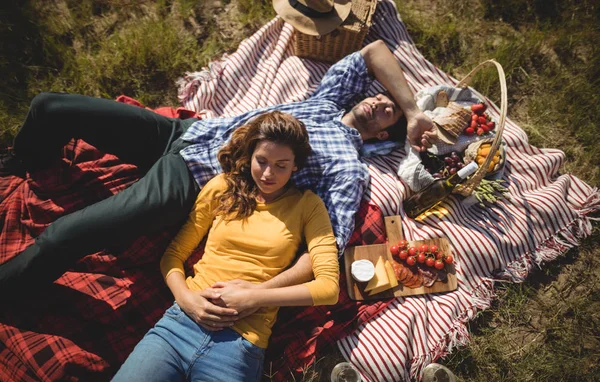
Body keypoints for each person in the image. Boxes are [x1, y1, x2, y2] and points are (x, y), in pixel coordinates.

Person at [0, 40, 436, 322]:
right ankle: (30, 162)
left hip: (191, 180)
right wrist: (412, 109)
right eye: (382, 97)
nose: (382, 102)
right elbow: (376, 51)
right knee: (48, 106)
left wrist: (262, 293)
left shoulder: (347, 167)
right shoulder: (327, 100)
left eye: (389, 113)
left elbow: (327, 249)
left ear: (381, 136)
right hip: (183, 134)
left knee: (65, 236)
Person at [97, 110, 340, 382]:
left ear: (296, 166)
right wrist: (186, 299)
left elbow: (328, 288)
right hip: (178, 327)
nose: (267, 174)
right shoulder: (222, 187)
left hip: (239, 347)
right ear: (250, 155)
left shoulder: (308, 206)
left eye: (281, 166)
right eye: (261, 161)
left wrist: (256, 296)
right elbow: (173, 255)